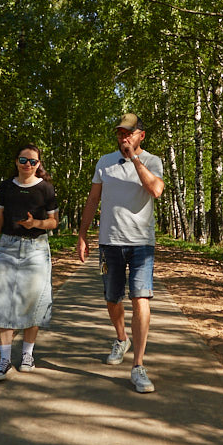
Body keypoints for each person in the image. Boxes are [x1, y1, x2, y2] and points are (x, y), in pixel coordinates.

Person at [77, 113, 165, 393]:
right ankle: (121, 338)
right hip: (109, 243)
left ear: (141, 135)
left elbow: (156, 190)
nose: (123, 138)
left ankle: (138, 366)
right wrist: (82, 235)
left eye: (129, 133)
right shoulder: (104, 162)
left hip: (141, 244)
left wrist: (134, 159)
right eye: (120, 133)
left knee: (140, 298)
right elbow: (93, 199)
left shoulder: (152, 161)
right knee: (112, 297)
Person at [0, 143, 59, 381]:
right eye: (23, 160)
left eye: (33, 161)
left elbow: (54, 222)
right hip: (7, 247)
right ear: (16, 162)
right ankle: (4, 360)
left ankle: (27, 355)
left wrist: (35, 224)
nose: (28, 164)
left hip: (36, 249)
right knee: (1, 301)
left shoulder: (46, 188)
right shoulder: (6, 187)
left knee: (33, 302)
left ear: (39, 165)